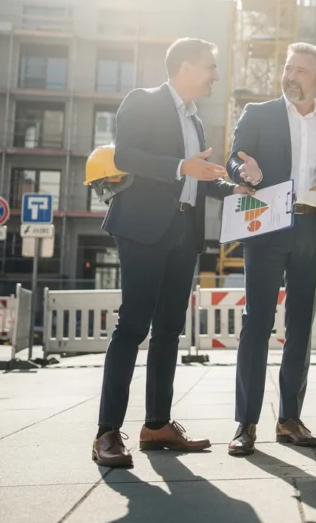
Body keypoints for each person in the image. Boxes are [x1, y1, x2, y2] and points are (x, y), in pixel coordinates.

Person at [92, 38, 254, 467]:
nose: (215, 75)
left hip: (183, 233)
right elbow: (125, 154)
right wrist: (181, 166)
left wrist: (230, 188)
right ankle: (107, 432)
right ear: (185, 67)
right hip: (143, 228)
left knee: (168, 331)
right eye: (211, 67)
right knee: (132, 327)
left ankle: (157, 424)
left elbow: (195, 180)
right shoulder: (142, 101)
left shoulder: (195, 122)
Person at [225, 42, 316, 456]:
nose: (291, 76)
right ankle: (245, 423)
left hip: (312, 229)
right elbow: (234, 159)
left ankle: (289, 418)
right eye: (288, 68)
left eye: (301, 71)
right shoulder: (259, 114)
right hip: (267, 224)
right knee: (257, 323)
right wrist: (242, 169)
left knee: (302, 327)